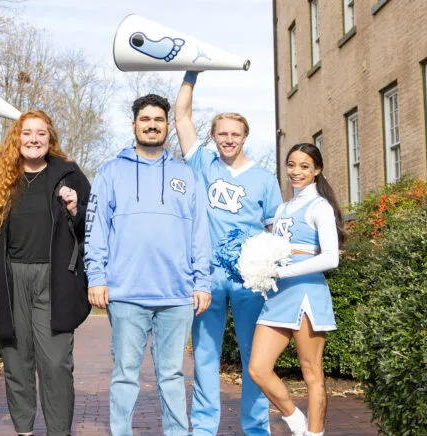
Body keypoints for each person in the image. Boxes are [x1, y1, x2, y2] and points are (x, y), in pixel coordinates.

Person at [84, 93, 212, 436]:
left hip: (177, 295)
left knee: (171, 374)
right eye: (146, 119)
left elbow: (200, 232)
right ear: (134, 125)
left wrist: (202, 282)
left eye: (158, 120)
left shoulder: (186, 174)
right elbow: (95, 229)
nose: (152, 125)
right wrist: (96, 276)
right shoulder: (110, 172)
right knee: (125, 374)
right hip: (126, 294)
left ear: (167, 126)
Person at [174, 71, 283, 435]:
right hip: (206, 277)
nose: (228, 139)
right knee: (205, 355)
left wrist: (275, 267)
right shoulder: (202, 164)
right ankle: (204, 428)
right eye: (222, 133)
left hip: (251, 279)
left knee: (256, 357)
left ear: (245, 137)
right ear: (214, 136)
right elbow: (181, 117)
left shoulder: (265, 179)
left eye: (235, 134)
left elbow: (276, 231)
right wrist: (192, 72)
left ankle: (256, 428)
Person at [0, 110, 91, 436]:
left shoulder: (70, 174)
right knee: (16, 363)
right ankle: (23, 430)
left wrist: (74, 210)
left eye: (41, 133)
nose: (34, 139)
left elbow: (91, 228)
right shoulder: (0, 176)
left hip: (54, 281)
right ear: (17, 137)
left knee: (55, 364)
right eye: (27, 133)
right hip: (11, 281)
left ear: (50, 138)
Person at [248, 143, 344, 436]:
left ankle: (315, 434)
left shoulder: (320, 207)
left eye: (304, 166)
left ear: (317, 170)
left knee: (312, 373)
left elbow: (331, 258)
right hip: (278, 295)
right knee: (257, 369)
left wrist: (283, 270)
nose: (296, 171)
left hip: (306, 293)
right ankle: (297, 422)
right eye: (291, 165)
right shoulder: (282, 209)